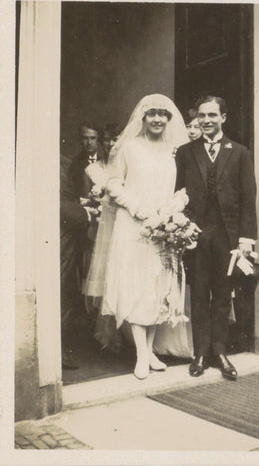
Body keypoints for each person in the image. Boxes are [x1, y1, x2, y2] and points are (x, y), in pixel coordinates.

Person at [86, 94, 191, 379]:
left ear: (169, 119)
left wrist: (170, 210)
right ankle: (142, 356)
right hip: (133, 227)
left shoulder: (174, 150)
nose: (157, 119)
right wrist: (139, 208)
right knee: (135, 288)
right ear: (143, 118)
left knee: (157, 290)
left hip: (163, 228)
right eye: (152, 114)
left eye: (163, 114)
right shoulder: (129, 147)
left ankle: (150, 351)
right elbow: (114, 185)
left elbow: (182, 188)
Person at [175, 96, 257, 380]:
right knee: (198, 294)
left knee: (223, 295)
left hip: (227, 236)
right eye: (202, 115)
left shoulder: (240, 153)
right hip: (196, 235)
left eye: (212, 115)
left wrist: (246, 239)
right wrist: (182, 225)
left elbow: (248, 199)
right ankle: (200, 353)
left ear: (224, 117)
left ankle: (220, 352)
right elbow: (178, 195)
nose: (206, 120)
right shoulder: (186, 152)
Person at [60, 154, 97, 369]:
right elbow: (59, 204)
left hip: (70, 241)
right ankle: (59, 352)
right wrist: (86, 214)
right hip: (61, 240)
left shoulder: (60, 164)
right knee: (63, 291)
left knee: (69, 291)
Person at [69, 122, 103, 199]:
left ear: (98, 140)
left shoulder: (104, 161)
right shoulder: (74, 164)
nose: (89, 142)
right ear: (80, 140)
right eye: (85, 138)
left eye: (93, 138)